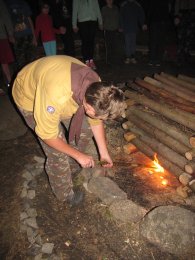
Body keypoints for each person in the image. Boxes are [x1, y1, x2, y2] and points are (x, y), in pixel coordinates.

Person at [12, 55, 126, 205]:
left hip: (66, 95)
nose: (102, 120)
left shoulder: (97, 87)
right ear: (89, 108)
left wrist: (104, 153)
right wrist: (78, 155)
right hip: (29, 97)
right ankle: (65, 194)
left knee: (85, 129)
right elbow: (47, 136)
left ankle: (72, 165)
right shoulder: (56, 95)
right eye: (102, 117)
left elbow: (95, 121)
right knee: (56, 152)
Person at [5, 0, 37, 69]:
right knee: (21, 62)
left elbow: (29, 19)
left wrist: (34, 37)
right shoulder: (6, 4)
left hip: (28, 35)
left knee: (32, 60)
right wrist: (10, 35)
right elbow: (6, 21)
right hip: (17, 37)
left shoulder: (23, 2)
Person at [72, 0, 103, 70]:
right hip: (82, 22)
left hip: (93, 21)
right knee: (85, 41)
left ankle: (91, 60)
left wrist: (100, 22)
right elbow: (75, 11)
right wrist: (74, 25)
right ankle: (86, 61)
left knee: (91, 41)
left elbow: (97, 8)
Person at [119, 0, 146, 64]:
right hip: (126, 28)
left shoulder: (137, 4)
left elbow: (141, 14)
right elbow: (121, 16)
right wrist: (121, 26)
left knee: (133, 43)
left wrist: (143, 23)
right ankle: (128, 57)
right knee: (127, 43)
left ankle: (133, 57)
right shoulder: (124, 4)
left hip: (134, 27)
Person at [147, 0, 170, 66]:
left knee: (160, 42)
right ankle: (152, 59)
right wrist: (147, 22)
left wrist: (167, 23)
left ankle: (158, 60)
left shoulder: (165, 2)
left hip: (162, 23)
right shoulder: (152, 1)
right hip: (154, 22)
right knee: (153, 41)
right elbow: (149, 11)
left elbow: (167, 12)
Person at [0, 0, 15, 95]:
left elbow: (6, 17)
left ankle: (10, 83)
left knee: (4, 61)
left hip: (1, 36)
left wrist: (10, 33)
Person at [101, 0, 120, 64]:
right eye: (108, 0)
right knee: (108, 46)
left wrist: (119, 26)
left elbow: (118, 18)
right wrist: (101, 25)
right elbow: (102, 18)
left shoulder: (116, 8)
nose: (110, 1)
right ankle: (108, 61)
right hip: (107, 30)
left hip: (115, 30)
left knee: (115, 45)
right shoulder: (104, 9)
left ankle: (115, 60)